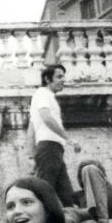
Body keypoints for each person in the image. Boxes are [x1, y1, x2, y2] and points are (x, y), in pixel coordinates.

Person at [28, 64, 81, 207]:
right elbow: (46, 117)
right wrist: (68, 139)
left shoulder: (43, 96)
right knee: (44, 191)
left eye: (64, 76)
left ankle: (70, 221)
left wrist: (32, 156)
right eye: (59, 76)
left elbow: (31, 129)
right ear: (47, 79)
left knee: (66, 194)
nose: (63, 80)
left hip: (52, 149)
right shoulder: (43, 93)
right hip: (49, 148)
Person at [71, 159, 112, 223]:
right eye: (83, 174)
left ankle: (103, 221)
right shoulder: (77, 195)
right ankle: (102, 221)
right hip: (92, 218)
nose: (87, 176)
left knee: (89, 169)